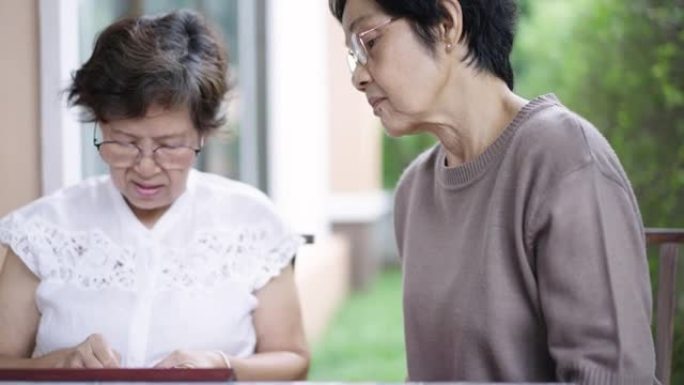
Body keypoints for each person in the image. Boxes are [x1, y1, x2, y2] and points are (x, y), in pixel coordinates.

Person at [329, 0, 657, 384]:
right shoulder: (414, 192)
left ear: (446, 23)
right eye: (353, 54)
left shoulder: (565, 159)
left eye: (368, 40)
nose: (357, 77)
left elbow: (613, 376)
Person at [0, 10, 309, 380]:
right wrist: (57, 364)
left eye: (170, 145)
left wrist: (222, 366)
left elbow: (292, 359)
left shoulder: (253, 222)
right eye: (125, 142)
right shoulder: (42, 230)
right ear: (99, 122)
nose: (146, 167)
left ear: (203, 133)